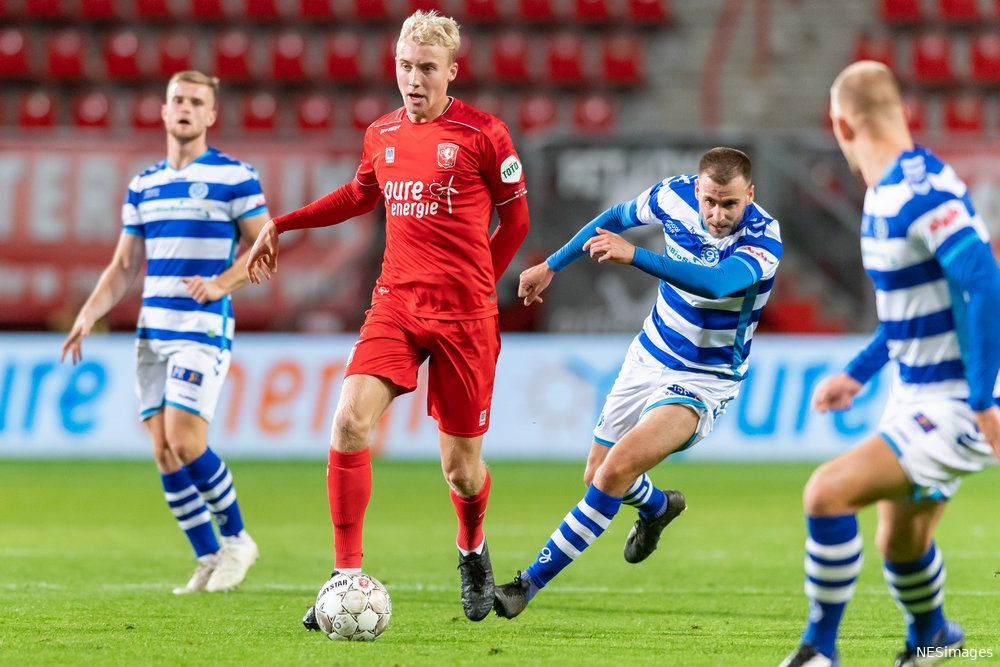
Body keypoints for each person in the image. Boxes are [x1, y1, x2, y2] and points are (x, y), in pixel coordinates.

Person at [245, 10, 530, 624]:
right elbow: (357, 194)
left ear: (453, 71)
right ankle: (345, 575)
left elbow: (518, 222)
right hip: (395, 305)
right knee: (349, 422)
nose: (414, 78)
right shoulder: (382, 135)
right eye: (405, 66)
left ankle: (472, 551)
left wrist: (484, 282)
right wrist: (283, 223)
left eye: (427, 68)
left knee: (460, 469)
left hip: (465, 318)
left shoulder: (486, 135)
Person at [493, 147, 783, 618]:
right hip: (647, 356)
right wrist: (551, 265)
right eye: (710, 201)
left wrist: (635, 257)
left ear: (749, 195)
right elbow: (614, 217)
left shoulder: (765, 238)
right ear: (697, 188)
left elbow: (714, 284)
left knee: (612, 473)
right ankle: (656, 508)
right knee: (597, 475)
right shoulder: (672, 195)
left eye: (729, 204)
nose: (717, 214)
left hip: (704, 379)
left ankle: (526, 584)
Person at [779, 61, 1000, 667]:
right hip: (916, 390)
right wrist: (860, 370)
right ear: (901, 112)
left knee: (827, 492)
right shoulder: (886, 193)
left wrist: (982, 401)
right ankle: (934, 638)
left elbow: (985, 282)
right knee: (901, 541)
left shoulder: (918, 192)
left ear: (839, 124)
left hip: (955, 399)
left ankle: (819, 652)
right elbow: (912, 310)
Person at [60, 71, 269, 594]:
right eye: (177, 99)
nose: (185, 108)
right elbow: (124, 264)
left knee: (184, 436)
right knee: (161, 449)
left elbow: (266, 246)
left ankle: (239, 539)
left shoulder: (235, 177)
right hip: (152, 330)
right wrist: (88, 312)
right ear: (162, 109)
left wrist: (222, 282)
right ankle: (207, 555)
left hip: (201, 328)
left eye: (196, 102)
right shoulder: (143, 184)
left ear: (211, 115)